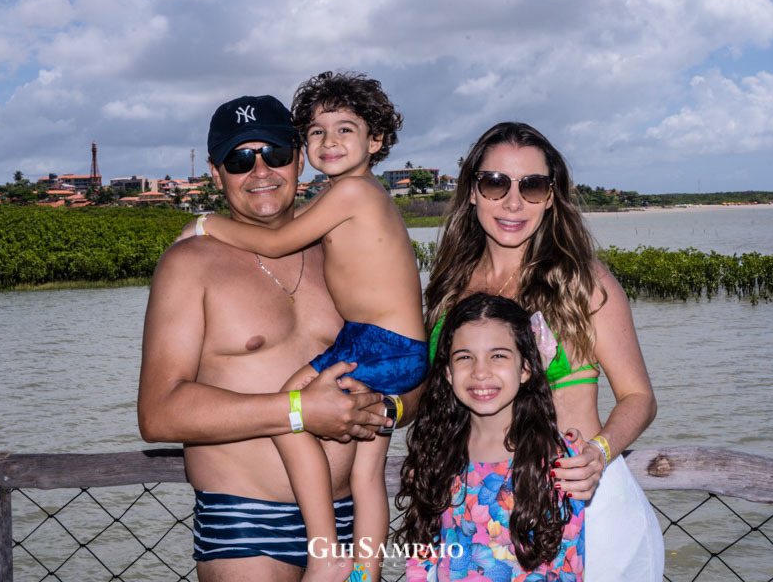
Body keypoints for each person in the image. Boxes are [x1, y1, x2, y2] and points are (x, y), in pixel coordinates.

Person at [178, 72, 427, 582]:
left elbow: (275, 242)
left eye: (344, 130)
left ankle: (327, 554)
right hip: (245, 521)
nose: (329, 142)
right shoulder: (192, 265)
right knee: (362, 467)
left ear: (375, 140)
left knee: (295, 407)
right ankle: (364, 569)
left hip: (374, 347)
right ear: (216, 170)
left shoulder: (345, 203)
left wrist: (204, 224)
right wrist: (367, 408)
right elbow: (157, 413)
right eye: (317, 133)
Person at [423, 122, 664, 581]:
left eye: (532, 186)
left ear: (551, 197)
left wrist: (599, 451)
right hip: (475, 513)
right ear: (472, 191)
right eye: (495, 183)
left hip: (583, 507)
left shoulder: (582, 283)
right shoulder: (449, 287)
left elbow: (639, 397)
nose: (513, 202)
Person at [396, 293, 585, 581]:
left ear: (525, 369)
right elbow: (423, 556)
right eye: (464, 357)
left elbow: (568, 566)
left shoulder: (557, 459)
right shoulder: (436, 453)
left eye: (497, 356)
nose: (480, 372)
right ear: (448, 372)